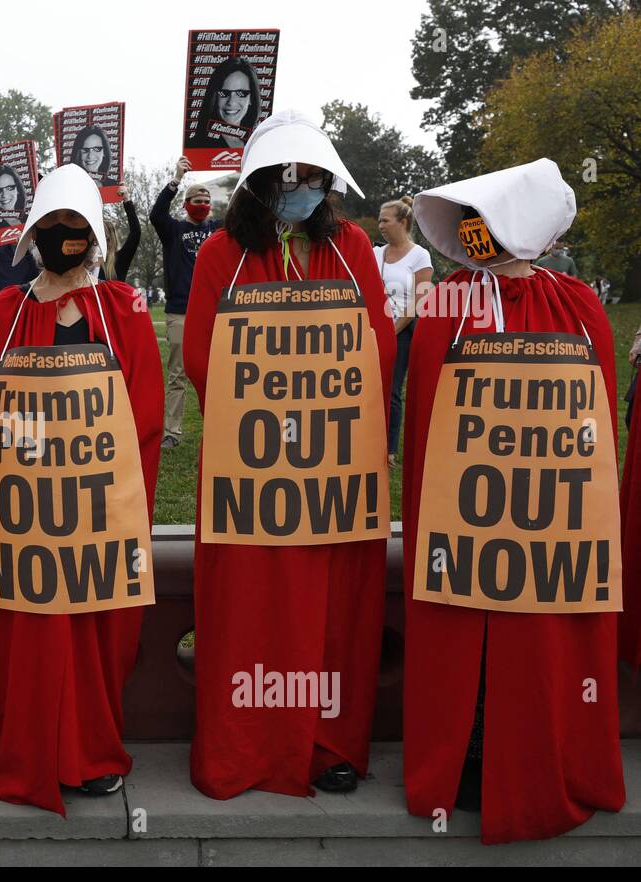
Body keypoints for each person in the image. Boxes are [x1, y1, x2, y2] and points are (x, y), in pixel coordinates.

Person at [406, 159, 625, 842]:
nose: (473, 235)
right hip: (468, 519)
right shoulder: (450, 302)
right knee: (470, 639)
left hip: (549, 520)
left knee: (538, 649)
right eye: (468, 224)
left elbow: (595, 428)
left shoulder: (581, 305)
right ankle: (468, 758)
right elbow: (425, 423)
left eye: (486, 222)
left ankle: (539, 758)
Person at [184, 110, 394, 800]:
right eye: (286, 175)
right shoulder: (222, 255)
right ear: (258, 184)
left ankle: (328, 744)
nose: (299, 185)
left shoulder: (354, 247)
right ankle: (247, 746)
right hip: (254, 473)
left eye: (312, 176)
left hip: (332, 471)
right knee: (252, 613)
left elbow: (375, 344)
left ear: (329, 183)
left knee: (334, 617)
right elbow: (201, 355)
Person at [0, 163, 163, 810]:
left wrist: (109, 491)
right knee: (33, 631)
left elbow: (146, 412)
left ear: (94, 235)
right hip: (28, 514)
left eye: (73, 225)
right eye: (50, 226)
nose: (62, 236)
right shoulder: (6, 308)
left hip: (99, 510)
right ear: (31, 234)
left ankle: (90, 748)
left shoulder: (124, 308)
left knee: (92, 631)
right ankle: (28, 743)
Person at [151, 156, 217, 448]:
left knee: (216, 374)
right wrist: (177, 178)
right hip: (180, 311)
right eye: (197, 199)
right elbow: (156, 214)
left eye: (207, 199)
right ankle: (172, 432)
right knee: (177, 375)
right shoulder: (173, 231)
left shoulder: (218, 230)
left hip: (215, 313)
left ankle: (219, 428)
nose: (202, 203)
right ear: (185, 203)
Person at [375, 197, 433, 466]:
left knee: (392, 388)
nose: (380, 225)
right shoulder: (376, 253)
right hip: (371, 331)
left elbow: (419, 299)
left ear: (403, 222)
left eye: (385, 220)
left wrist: (394, 330)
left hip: (402, 331)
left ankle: (388, 447)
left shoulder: (420, 255)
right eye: (379, 220)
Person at [188, 58, 262, 149]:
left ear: (251, 98)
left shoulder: (258, 145)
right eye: (224, 93)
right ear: (214, 98)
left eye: (241, 93)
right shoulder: (195, 145)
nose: (231, 102)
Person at [100, 182, 141, 282]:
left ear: (111, 239)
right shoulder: (87, 262)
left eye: (106, 237)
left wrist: (126, 199)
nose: (102, 241)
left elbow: (136, 232)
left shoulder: (120, 259)